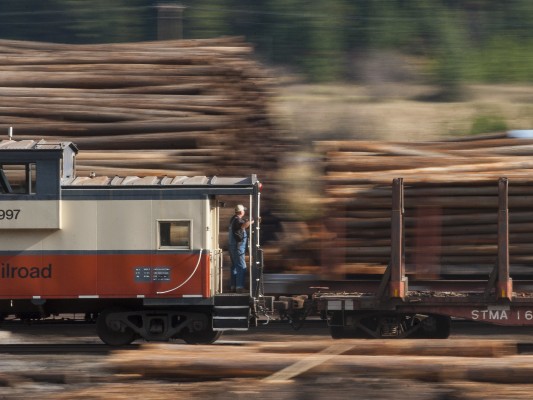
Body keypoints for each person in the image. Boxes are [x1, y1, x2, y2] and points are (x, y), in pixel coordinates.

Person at [228, 204, 254, 293]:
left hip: (233, 246)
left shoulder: (233, 219)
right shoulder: (237, 220)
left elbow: (241, 226)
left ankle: (233, 287)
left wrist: (247, 222)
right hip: (237, 247)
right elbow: (243, 225)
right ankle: (239, 287)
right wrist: (252, 222)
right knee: (241, 266)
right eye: (244, 210)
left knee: (235, 267)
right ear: (241, 211)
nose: (245, 212)